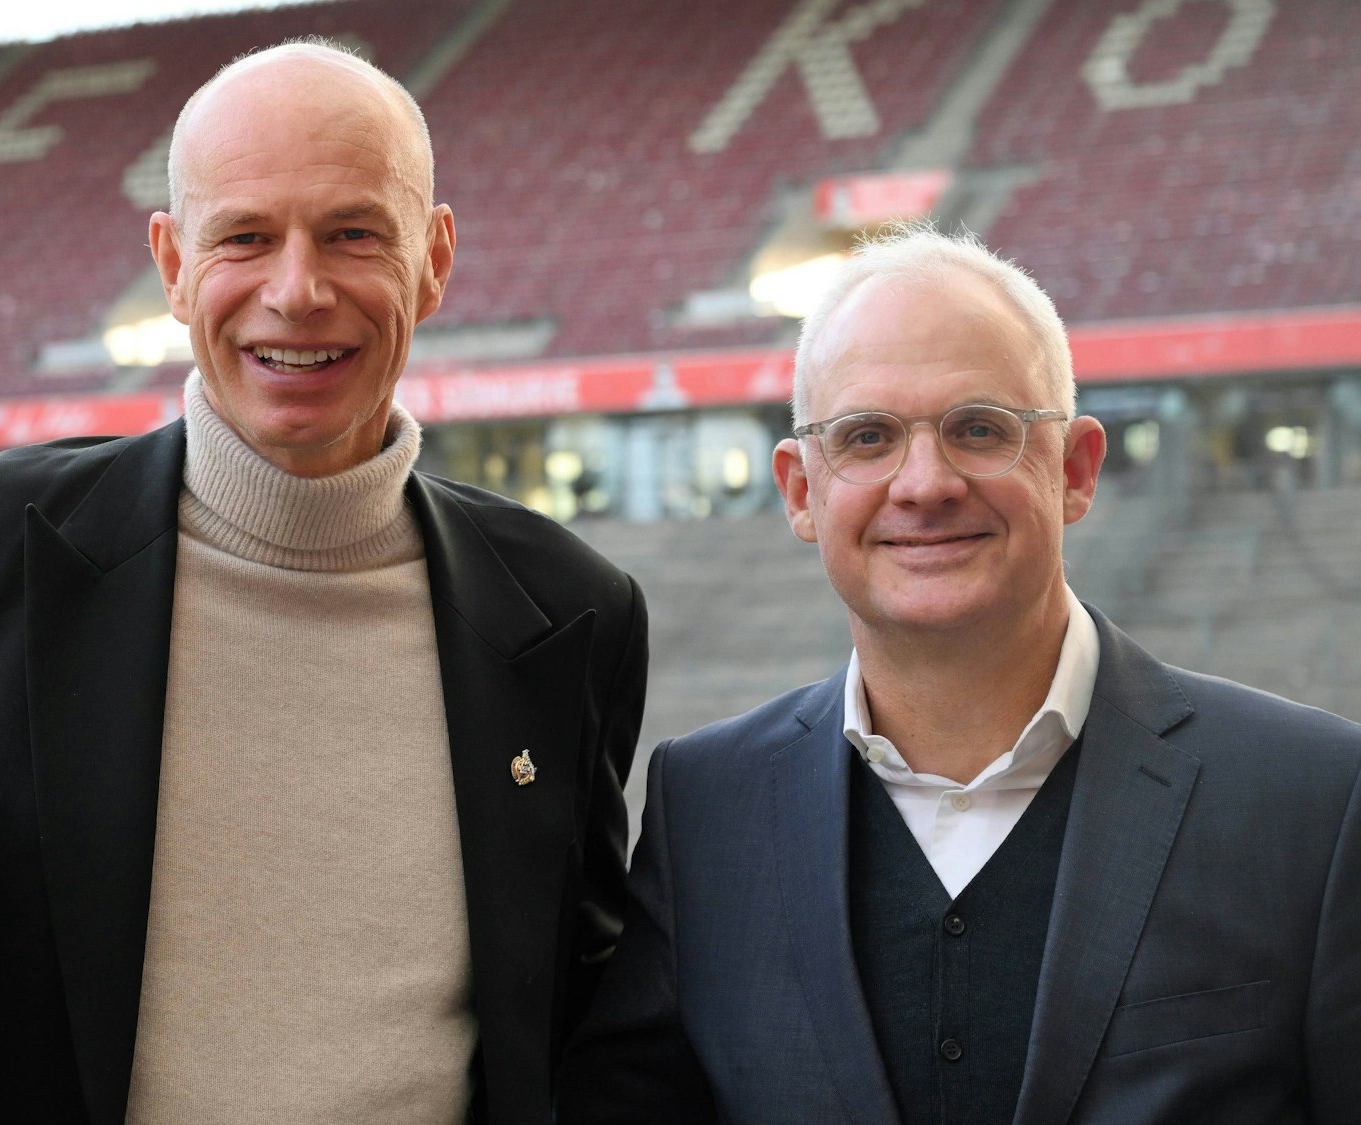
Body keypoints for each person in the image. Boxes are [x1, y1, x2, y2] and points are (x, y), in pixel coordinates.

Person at [0, 39, 647, 1124]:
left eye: (352, 234)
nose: (297, 292)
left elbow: (581, 1013)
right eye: (244, 237)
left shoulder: (571, 610)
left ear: (434, 261)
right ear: (171, 264)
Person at [559, 227, 1361, 1124]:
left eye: (979, 429)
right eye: (867, 437)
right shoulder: (707, 808)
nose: (925, 483)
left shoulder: (1315, 800)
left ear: (1075, 469)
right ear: (800, 491)